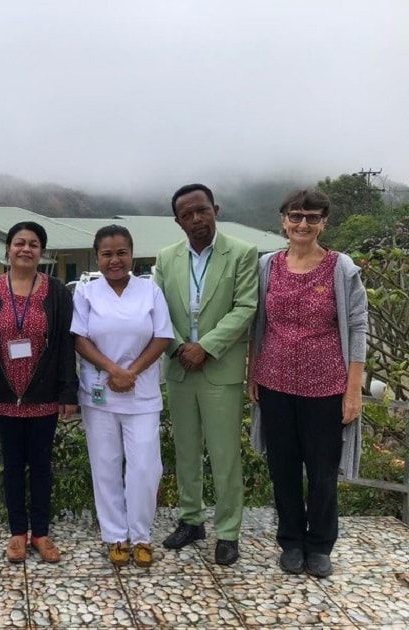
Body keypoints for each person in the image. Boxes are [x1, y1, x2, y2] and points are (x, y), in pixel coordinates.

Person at [248, 189, 367, 578]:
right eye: (296, 216)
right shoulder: (267, 265)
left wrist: (353, 390)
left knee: (322, 472)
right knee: (282, 468)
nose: (303, 224)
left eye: (312, 218)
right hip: (275, 383)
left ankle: (319, 545)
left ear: (323, 223)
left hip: (326, 386)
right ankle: (291, 541)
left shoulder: (340, 268)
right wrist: (253, 374)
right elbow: (258, 324)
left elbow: (357, 326)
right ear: (283, 220)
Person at [154, 183, 258, 566]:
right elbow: (157, 308)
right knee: (186, 451)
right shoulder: (166, 258)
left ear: (216, 209)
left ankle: (228, 532)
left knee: (224, 453)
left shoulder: (242, 253)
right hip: (180, 366)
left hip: (219, 368)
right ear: (178, 221)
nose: (196, 219)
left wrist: (206, 347)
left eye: (202, 210)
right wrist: (180, 347)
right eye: (187, 215)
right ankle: (191, 520)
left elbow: (245, 307)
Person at [0, 221, 78, 564]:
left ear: (42, 252)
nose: (26, 249)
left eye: (34, 244)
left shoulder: (58, 293)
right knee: (13, 466)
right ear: (7, 248)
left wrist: (68, 392)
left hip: (44, 396)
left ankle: (42, 533)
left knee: (42, 466)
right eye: (19, 243)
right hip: (3, 395)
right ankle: (17, 532)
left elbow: (66, 344)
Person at [71, 225, 173, 568]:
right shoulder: (86, 293)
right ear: (96, 257)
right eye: (106, 254)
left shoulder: (150, 291)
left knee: (145, 466)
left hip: (141, 393)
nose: (114, 260)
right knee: (106, 465)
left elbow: (162, 337)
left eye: (121, 253)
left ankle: (141, 535)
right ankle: (116, 536)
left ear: (132, 254)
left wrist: (132, 372)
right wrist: (113, 370)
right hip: (100, 393)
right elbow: (80, 339)